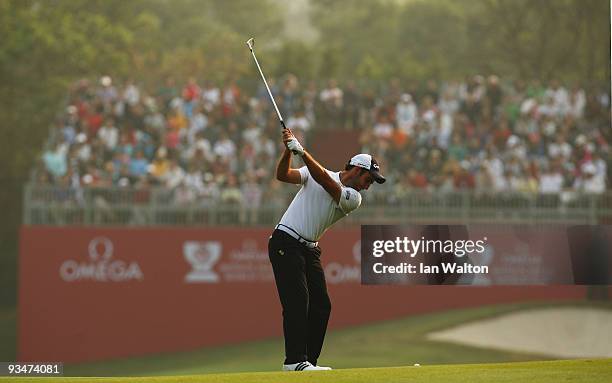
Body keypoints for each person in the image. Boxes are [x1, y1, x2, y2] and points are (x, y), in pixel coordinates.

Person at [268, 128, 386, 372]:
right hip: (285, 242)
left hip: (309, 249)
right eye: (369, 179)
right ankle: (294, 361)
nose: (368, 186)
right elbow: (282, 175)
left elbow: (324, 180)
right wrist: (289, 151)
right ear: (357, 170)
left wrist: (302, 151)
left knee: (322, 305)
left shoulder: (353, 197)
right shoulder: (315, 172)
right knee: (297, 302)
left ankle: (308, 362)